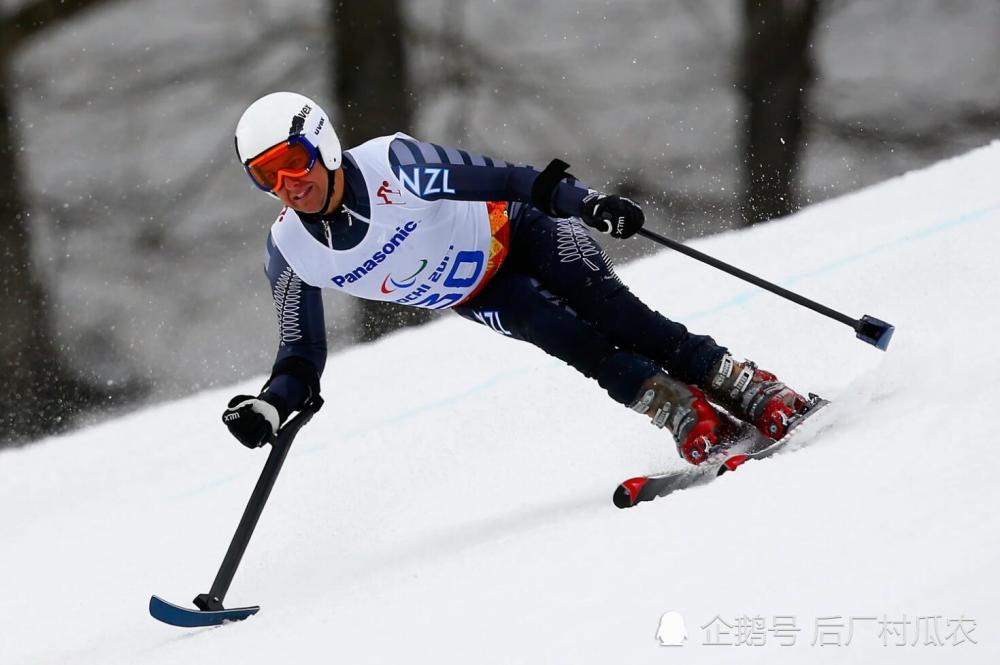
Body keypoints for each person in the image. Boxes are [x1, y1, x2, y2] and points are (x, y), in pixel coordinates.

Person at [222, 91, 811, 466]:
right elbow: (300, 352)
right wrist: (271, 406)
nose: (287, 185)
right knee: (574, 341)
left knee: (621, 318)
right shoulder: (290, 249)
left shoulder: (393, 167)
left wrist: (585, 203)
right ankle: (684, 411)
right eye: (265, 177)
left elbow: (508, 179)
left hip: (522, 231)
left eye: (291, 163)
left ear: (320, 145)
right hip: (481, 291)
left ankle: (747, 386)